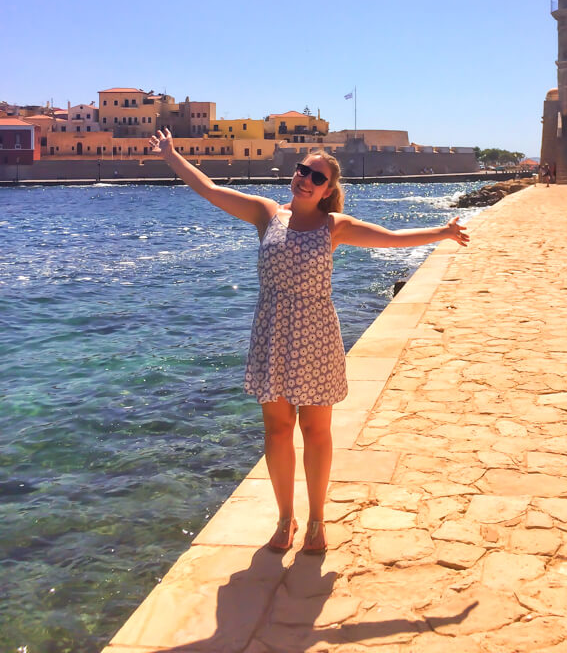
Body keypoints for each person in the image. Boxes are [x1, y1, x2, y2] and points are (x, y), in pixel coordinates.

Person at [149, 130, 469, 555]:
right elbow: (208, 189)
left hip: (316, 335)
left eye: (316, 177)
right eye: (302, 171)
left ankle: (317, 519)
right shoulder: (267, 214)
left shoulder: (334, 226)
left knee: (316, 432)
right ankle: (286, 517)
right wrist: (172, 156)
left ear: (327, 190)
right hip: (272, 332)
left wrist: (444, 232)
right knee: (278, 430)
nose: (305, 179)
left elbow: (392, 239)